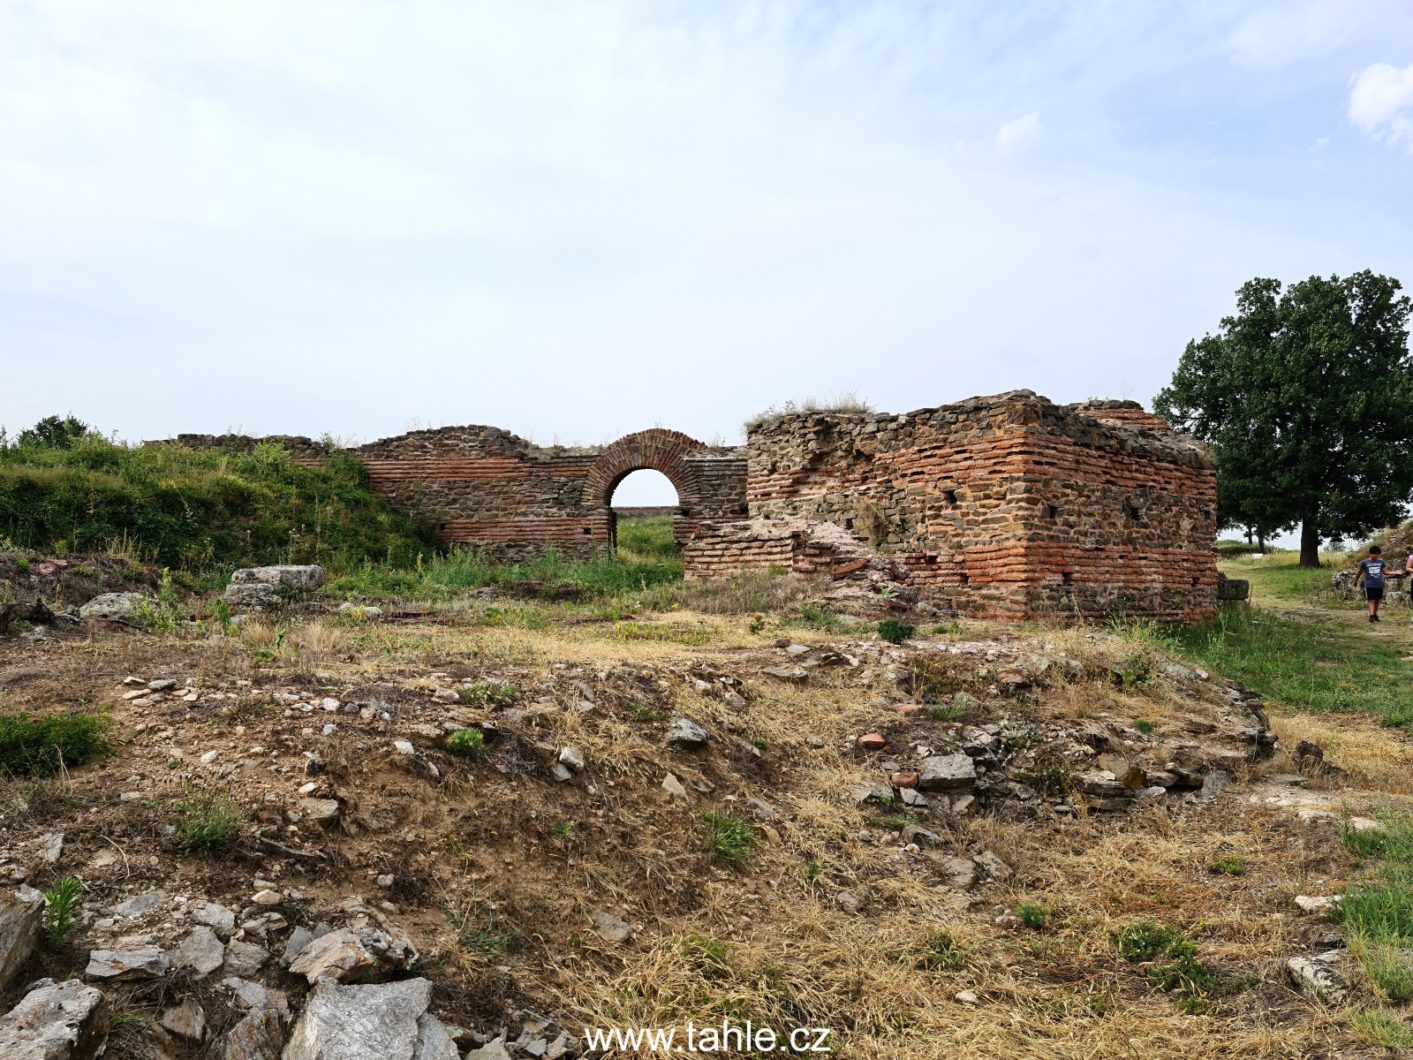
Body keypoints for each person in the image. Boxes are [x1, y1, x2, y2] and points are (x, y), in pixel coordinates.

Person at [1356, 545, 1399, 623]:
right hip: (1369, 584)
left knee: (1377, 600)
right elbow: (1359, 573)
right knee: (1371, 599)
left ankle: (1375, 614)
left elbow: (1385, 572)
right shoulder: (1364, 562)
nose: (1376, 556)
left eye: (1378, 554)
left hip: (1379, 584)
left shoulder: (1381, 562)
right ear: (1370, 553)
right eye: (1375, 554)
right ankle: (1371, 615)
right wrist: (1355, 581)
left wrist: (1396, 572)